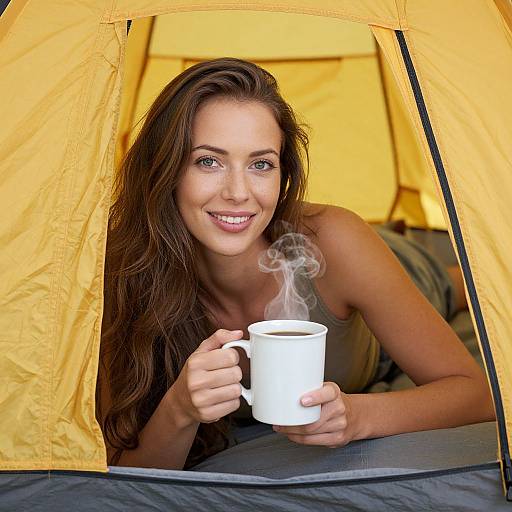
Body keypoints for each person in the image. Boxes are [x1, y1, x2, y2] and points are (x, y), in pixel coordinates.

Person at [97, 58, 495, 471]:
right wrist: (179, 409)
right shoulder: (125, 273)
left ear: (283, 174)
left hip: (385, 272)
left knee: (453, 285)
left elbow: (476, 395)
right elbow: (123, 469)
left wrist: (357, 417)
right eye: (208, 161)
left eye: (261, 164)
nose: (238, 192)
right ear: (165, 169)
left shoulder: (336, 243)